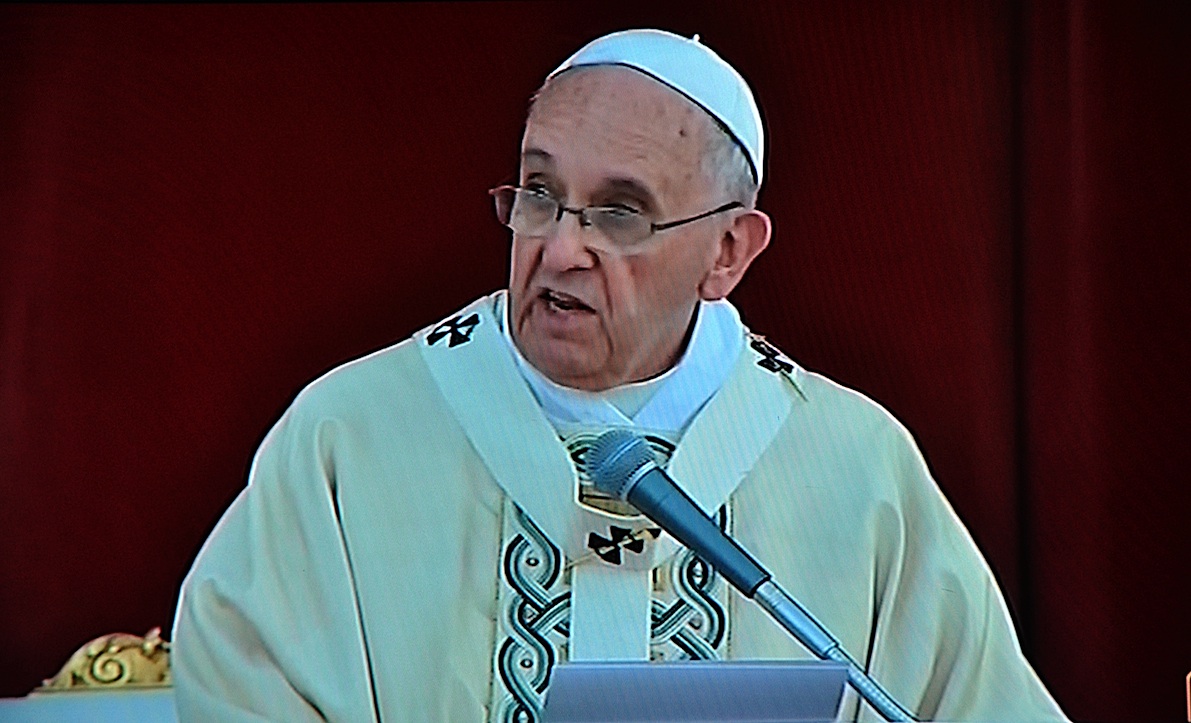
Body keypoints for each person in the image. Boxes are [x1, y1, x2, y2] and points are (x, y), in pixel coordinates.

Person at [173, 29, 1067, 722]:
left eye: (619, 213)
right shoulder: (349, 436)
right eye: (538, 193)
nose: (561, 248)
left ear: (727, 251)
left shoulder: (852, 464)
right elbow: (241, 686)